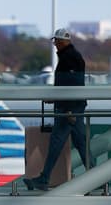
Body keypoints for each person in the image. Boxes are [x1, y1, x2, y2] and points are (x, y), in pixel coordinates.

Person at [24, 29, 90, 191]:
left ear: (61, 42)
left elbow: (71, 86)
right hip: (72, 107)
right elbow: (73, 86)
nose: (54, 44)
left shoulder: (69, 58)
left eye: (56, 41)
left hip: (67, 110)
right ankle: (98, 178)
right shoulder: (72, 57)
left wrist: (67, 109)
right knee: (80, 144)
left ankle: (44, 178)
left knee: (56, 144)